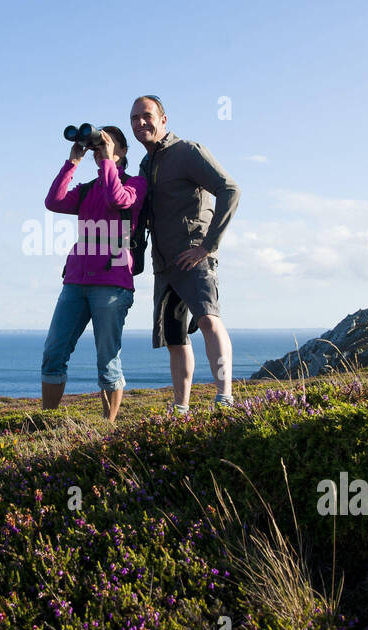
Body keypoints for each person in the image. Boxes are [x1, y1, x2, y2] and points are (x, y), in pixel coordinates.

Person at [130, 95, 240, 413]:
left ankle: (225, 398)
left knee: (208, 319)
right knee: (175, 339)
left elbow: (230, 189)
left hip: (194, 258)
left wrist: (208, 245)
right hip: (163, 264)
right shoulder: (146, 164)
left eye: (146, 116)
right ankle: (181, 409)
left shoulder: (188, 152)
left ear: (163, 119)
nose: (140, 123)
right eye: (134, 118)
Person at [40, 126, 147, 422]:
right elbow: (54, 201)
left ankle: (107, 428)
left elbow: (117, 200)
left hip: (112, 283)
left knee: (107, 360)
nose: (99, 151)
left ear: (122, 151)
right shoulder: (88, 189)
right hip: (75, 281)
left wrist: (108, 160)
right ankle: (48, 422)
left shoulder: (136, 184)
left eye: (105, 146)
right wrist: (73, 161)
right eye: (97, 147)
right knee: (54, 353)